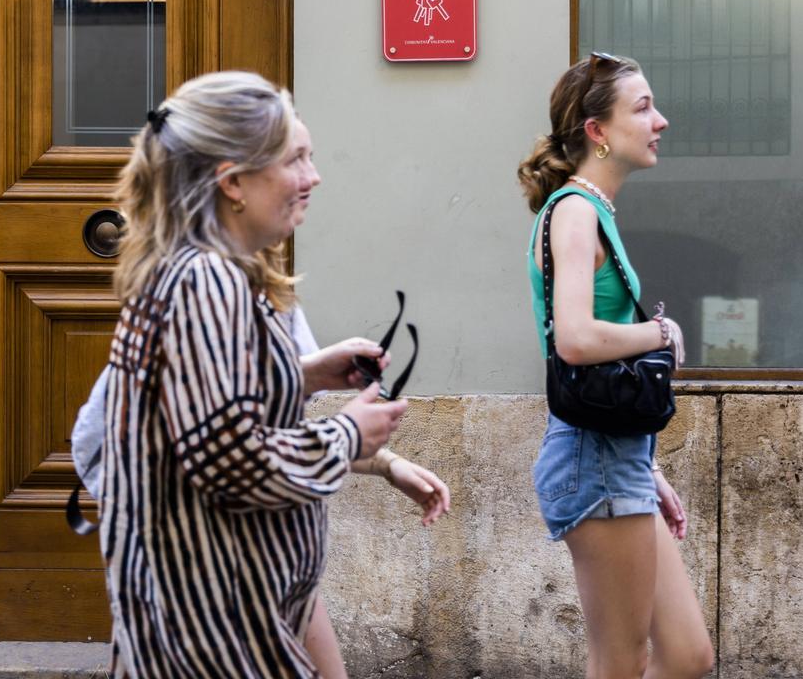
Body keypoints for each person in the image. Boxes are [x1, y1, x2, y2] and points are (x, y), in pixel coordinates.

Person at [101, 70, 449, 678]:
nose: (313, 178)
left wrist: (305, 375)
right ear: (233, 182)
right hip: (212, 632)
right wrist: (347, 436)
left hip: (217, 619)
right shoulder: (205, 281)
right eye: (296, 161)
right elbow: (229, 461)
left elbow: (200, 408)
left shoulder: (204, 273)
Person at [517, 53, 714, 679]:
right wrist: (661, 331)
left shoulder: (590, 210)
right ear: (597, 130)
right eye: (643, 107)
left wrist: (646, 464)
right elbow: (573, 340)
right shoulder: (574, 211)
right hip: (594, 459)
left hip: (616, 456)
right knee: (621, 663)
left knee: (685, 656)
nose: (661, 120)